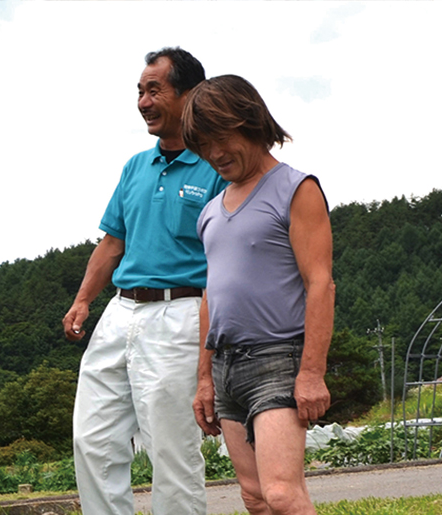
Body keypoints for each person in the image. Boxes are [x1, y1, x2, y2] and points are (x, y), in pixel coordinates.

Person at [63, 47, 227, 515]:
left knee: (170, 450)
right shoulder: (136, 165)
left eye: (155, 89)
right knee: (92, 439)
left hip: (180, 313)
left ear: (190, 94)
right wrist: (82, 302)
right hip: (119, 311)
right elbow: (112, 242)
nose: (143, 101)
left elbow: (224, 264)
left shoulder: (217, 165)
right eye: (139, 91)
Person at [184, 75, 334, 515]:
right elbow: (212, 295)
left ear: (250, 122)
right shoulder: (211, 211)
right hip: (227, 365)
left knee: (282, 495)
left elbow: (320, 283)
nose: (214, 155)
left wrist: (311, 373)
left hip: (278, 359)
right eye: (203, 146)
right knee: (254, 498)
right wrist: (205, 378)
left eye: (221, 139)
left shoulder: (296, 188)